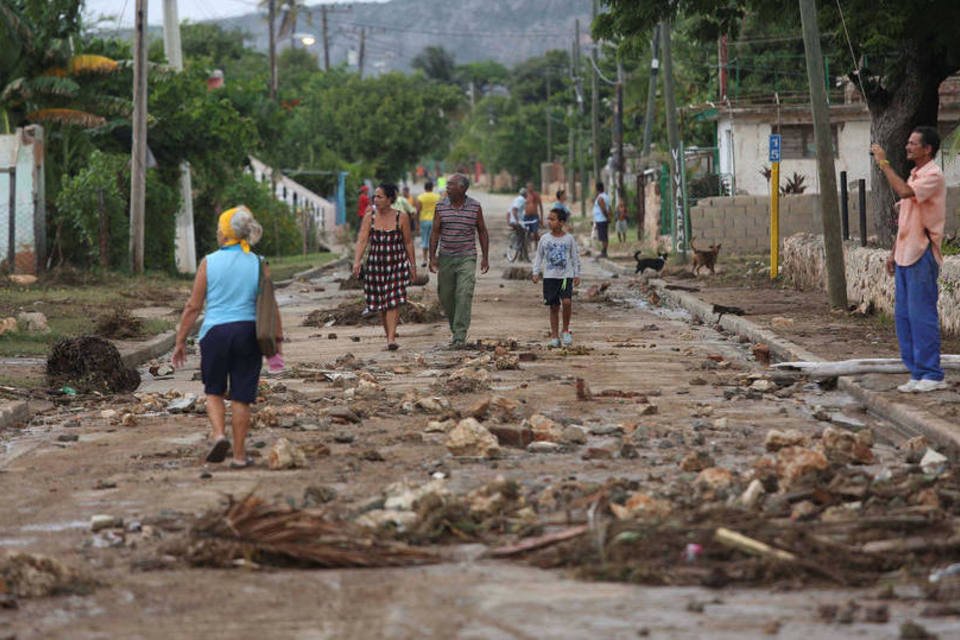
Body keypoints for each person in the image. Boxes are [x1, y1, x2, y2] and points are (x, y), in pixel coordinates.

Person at [172, 206, 281, 469]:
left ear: (224, 232)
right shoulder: (258, 262)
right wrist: (277, 344)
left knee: (214, 392)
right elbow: (269, 305)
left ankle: (219, 435)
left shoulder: (209, 261)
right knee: (242, 397)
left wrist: (180, 341)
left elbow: (193, 306)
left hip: (215, 334)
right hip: (247, 333)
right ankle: (241, 456)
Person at [871, 128, 948, 393]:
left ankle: (931, 373)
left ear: (927, 149)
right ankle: (916, 371)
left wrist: (883, 162)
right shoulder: (914, 176)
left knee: (922, 315)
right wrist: (893, 252)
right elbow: (906, 220)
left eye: (913, 143)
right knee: (904, 317)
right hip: (905, 254)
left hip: (922, 253)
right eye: (908, 142)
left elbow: (904, 193)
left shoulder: (932, 176)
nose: (908, 146)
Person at [353, 183, 417, 350]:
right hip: (376, 266)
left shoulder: (401, 217)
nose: (376, 199)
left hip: (397, 265)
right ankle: (389, 334)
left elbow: (408, 243)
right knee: (382, 303)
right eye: (375, 196)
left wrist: (413, 265)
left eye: (380, 196)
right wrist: (357, 261)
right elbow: (362, 240)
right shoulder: (370, 217)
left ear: (390, 199)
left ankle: (391, 339)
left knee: (393, 301)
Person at [429, 173, 490, 348]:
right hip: (446, 257)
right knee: (446, 296)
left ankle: (459, 336)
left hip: (467, 257)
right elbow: (435, 232)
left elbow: (482, 231)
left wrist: (485, 257)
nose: (447, 188)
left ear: (462, 188)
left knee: (464, 293)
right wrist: (432, 257)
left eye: (450, 185)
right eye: (447, 185)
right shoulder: (440, 206)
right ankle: (456, 329)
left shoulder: (475, 207)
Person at [532, 207, 581, 348]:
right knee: (553, 307)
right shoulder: (545, 239)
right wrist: (535, 272)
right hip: (549, 278)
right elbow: (539, 256)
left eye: (552, 219)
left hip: (566, 277)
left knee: (566, 302)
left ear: (561, 222)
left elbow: (574, 257)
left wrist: (577, 274)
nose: (549, 221)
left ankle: (565, 330)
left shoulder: (569, 239)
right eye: (549, 219)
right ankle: (554, 336)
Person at [416, 181, 440, 267]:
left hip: (424, 221)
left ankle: (424, 259)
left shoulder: (421, 198)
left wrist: (417, 224)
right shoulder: (437, 197)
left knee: (424, 240)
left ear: (425, 188)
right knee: (434, 240)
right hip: (435, 221)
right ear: (432, 188)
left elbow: (418, 211)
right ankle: (433, 258)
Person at [592, 181, 612, 257]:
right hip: (602, 219)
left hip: (601, 219)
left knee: (603, 237)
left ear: (597, 189)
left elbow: (603, 209)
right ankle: (604, 251)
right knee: (604, 236)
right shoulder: (606, 196)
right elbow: (609, 208)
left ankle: (604, 252)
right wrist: (610, 216)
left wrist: (607, 217)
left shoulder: (600, 198)